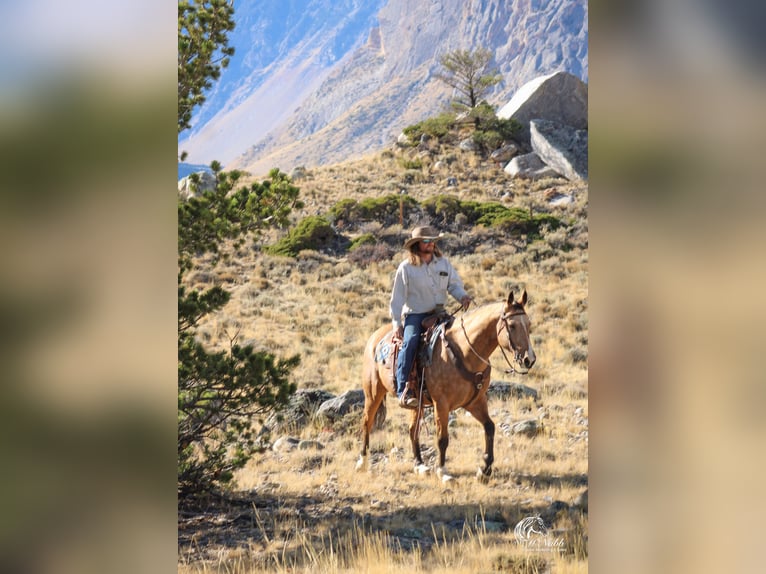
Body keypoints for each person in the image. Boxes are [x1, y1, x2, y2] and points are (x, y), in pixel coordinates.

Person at [390, 225, 472, 408]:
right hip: (415, 315)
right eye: (426, 241)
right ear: (417, 244)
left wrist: (462, 296)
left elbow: (454, 285)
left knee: (462, 338)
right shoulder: (406, 268)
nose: (431, 244)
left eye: (433, 240)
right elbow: (396, 299)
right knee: (410, 341)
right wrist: (396, 324)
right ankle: (404, 388)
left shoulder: (443, 264)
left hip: (440, 314)